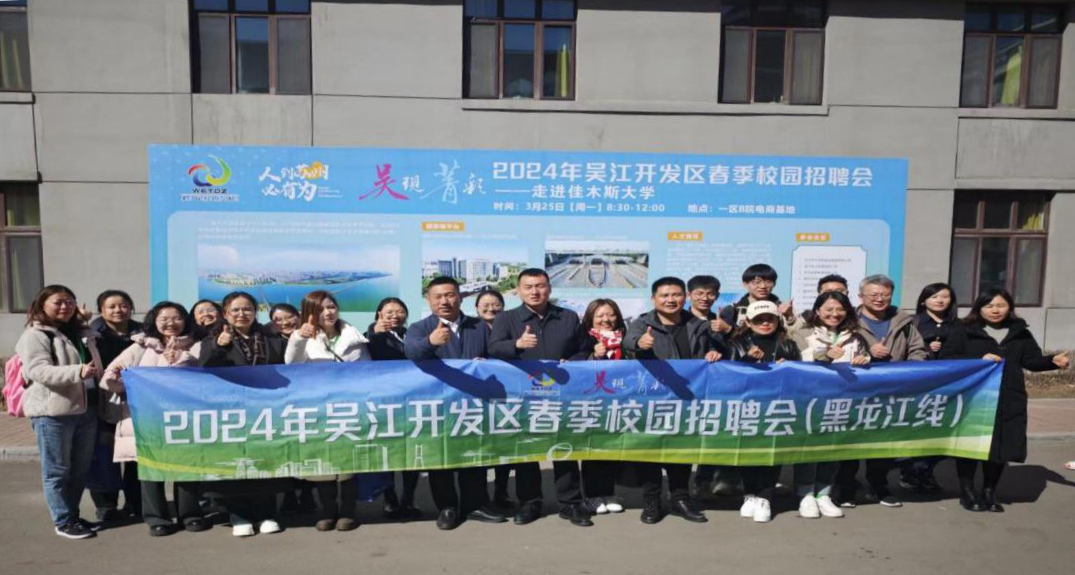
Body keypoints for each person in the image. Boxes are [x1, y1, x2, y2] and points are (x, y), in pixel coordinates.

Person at [941, 288, 1070, 512]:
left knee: (1001, 447)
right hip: (975, 398)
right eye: (989, 306)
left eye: (1000, 305)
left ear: (1009, 307)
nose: (995, 310)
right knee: (970, 446)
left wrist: (1052, 361)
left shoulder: (1019, 332)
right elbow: (947, 358)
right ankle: (968, 493)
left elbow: (1031, 361)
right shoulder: (964, 330)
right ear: (979, 308)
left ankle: (989, 492)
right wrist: (978, 359)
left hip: (1009, 398)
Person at [488, 268, 592, 527]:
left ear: (549, 288)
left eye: (540, 286)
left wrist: (573, 361)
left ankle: (570, 503)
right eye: (528, 287)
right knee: (526, 450)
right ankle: (530, 503)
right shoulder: (507, 319)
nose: (534, 291)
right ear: (518, 290)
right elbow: (494, 348)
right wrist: (516, 345)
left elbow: (583, 348)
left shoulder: (568, 317)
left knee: (565, 449)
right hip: (524, 396)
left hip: (562, 395)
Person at [404, 277, 508, 530]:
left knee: (474, 456)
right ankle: (447, 507)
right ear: (428, 300)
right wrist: (431, 342)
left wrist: (487, 362)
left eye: (449, 295)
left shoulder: (479, 326)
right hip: (438, 406)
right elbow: (412, 352)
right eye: (438, 296)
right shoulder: (419, 328)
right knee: (441, 458)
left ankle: (475, 505)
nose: (444, 301)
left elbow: (496, 353)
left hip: (474, 404)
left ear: (460, 297)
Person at [98, 301, 209, 537]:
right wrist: (116, 378)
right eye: (164, 319)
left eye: (177, 318)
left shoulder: (197, 345)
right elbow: (109, 378)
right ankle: (157, 518)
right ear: (154, 322)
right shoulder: (140, 347)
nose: (171, 323)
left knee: (186, 467)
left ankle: (190, 514)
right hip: (148, 419)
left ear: (186, 320)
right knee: (150, 468)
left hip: (184, 418)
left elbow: (205, 375)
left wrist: (181, 359)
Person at [623, 277, 721, 525]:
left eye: (676, 295)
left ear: (685, 297)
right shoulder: (642, 323)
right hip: (651, 400)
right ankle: (651, 501)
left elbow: (714, 349)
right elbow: (628, 342)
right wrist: (640, 343)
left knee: (681, 451)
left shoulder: (697, 324)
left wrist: (713, 352)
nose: (670, 300)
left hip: (687, 398)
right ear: (654, 299)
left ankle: (680, 499)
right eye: (664, 295)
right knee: (649, 453)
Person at [835, 275, 927, 509]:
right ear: (860, 296)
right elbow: (837, 350)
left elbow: (918, 350)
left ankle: (879, 486)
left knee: (883, 442)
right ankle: (846, 488)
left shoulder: (903, 321)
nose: (879, 299)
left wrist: (910, 371)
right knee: (850, 441)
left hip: (892, 391)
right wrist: (868, 353)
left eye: (885, 295)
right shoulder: (848, 320)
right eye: (874, 295)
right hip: (854, 391)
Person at [199, 291, 286, 537]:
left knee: (266, 462)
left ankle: (267, 513)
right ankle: (239, 516)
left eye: (247, 309)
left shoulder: (272, 339)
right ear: (225, 313)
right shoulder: (213, 338)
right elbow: (205, 366)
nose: (242, 314)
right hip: (232, 411)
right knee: (237, 462)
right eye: (235, 310)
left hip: (266, 410)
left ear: (255, 311)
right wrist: (218, 346)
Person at [16, 285, 101, 539]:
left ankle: (72, 515)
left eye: (70, 302)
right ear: (42, 305)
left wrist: (84, 325)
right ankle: (63, 521)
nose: (65, 306)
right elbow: (38, 371)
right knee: (57, 470)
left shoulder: (77, 331)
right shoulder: (35, 335)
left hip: (86, 409)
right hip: (53, 412)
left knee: (79, 469)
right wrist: (77, 372)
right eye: (58, 302)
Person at [284, 290, 368, 532]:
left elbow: (368, 371)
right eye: (320, 309)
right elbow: (292, 364)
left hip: (349, 407)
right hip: (318, 408)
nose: (327, 312)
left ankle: (348, 512)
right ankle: (328, 511)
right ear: (309, 313)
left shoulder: (353, 335)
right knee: (324, 463)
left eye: (331, 307)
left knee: (349, 463)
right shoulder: (302, 337)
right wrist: (299, 338)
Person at [791, 290, 870, 520]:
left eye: (840, 309)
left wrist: (864, 359)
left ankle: (824, 493)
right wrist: (824, 356)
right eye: (828, 309)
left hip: (842, 401)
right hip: (809, 400)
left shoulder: (855, 336)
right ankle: (805, 493)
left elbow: (863, 363)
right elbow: (795, 362)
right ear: (817, 311)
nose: (834, 314)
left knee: (833, 447)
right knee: (807, 448)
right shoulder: (802, 333)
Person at [727, 301, 802, 523]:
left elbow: (800, 374)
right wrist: (746, 360)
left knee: (772, 452)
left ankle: (765, 497)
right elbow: (728, 373)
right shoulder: (737, 343)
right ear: (748, 322)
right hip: (747, 406)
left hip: (777, 405)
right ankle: (750, 494)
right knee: (747, 452)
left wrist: (788, 367)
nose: (765, 323)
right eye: (759, 320)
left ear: (777, 320)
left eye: (770, 318)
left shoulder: (787, 344)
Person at [85, 289, 143, 522]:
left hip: (136, 402)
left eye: (123, 305)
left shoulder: (144, 334)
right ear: (101, 311)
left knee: (135, 455)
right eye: (112, 306)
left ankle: (136, 503)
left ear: (131, 308)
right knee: (104, 456)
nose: (118, 310)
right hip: (103, 402)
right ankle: (106, 505)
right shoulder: (91, 336)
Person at [363, 296, 421, 521]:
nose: (395, 316)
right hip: (383, 404)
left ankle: (409, 498)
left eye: (400, 311)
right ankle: (390, 497)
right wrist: (375, 333)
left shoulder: (413, 335)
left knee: (413, 451)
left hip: (412, 402)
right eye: (389, 312)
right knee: (388, 452)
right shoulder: (368, 336)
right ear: (379, 314)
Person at [898, 282, 959, 493]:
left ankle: (925, 469)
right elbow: (905, 350)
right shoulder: (912, 322)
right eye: (934, 296)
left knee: (943, 430)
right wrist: (926, 347)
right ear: (924, 301)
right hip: (920, 386)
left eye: (944, 296)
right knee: (918, 430)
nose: (940, 300)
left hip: (950, 387)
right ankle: (911, 470)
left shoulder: (959, 325)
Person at [572, 298, 627, 515]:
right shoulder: (583, 337)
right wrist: (593, 355)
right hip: (591, 401)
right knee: (592, 449)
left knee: (612, 449)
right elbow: (572, 360)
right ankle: (593, 495)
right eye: (600, 315)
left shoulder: (625, 336)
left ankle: (609, 492)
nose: (606, 319)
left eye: (611, 314)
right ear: (590, 319)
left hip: (619, 401)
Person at [684, 274, 736, 497]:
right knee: (685, 437)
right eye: (699, 293)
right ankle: (682, 489)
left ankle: (707, 482)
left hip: (718, 388)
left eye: (710, 294)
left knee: (714, 433)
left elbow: (738, 351)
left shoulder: (723, 320)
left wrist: (727, 332)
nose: (705, 298)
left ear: (717, 295)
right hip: (688, 387)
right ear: (689, 295)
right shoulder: (680, 320)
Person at [474, 288, 515, 510]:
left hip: (506, 395)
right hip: (478, 398)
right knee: (480, 446)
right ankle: (481, 496)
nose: (491, 309)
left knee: (504, 445)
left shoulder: (510, 327)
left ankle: (502, 491)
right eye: (485, 305)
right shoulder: (471, 328)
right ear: (476, 308)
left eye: (496, 305)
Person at [717, 263, 796, 332]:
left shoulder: (784, 309)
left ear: (774, 283)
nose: (763, 286)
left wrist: (789, 316)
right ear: (745, 284)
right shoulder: (733, 310)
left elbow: (795, 337)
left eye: (768, 282)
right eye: (756, 282)